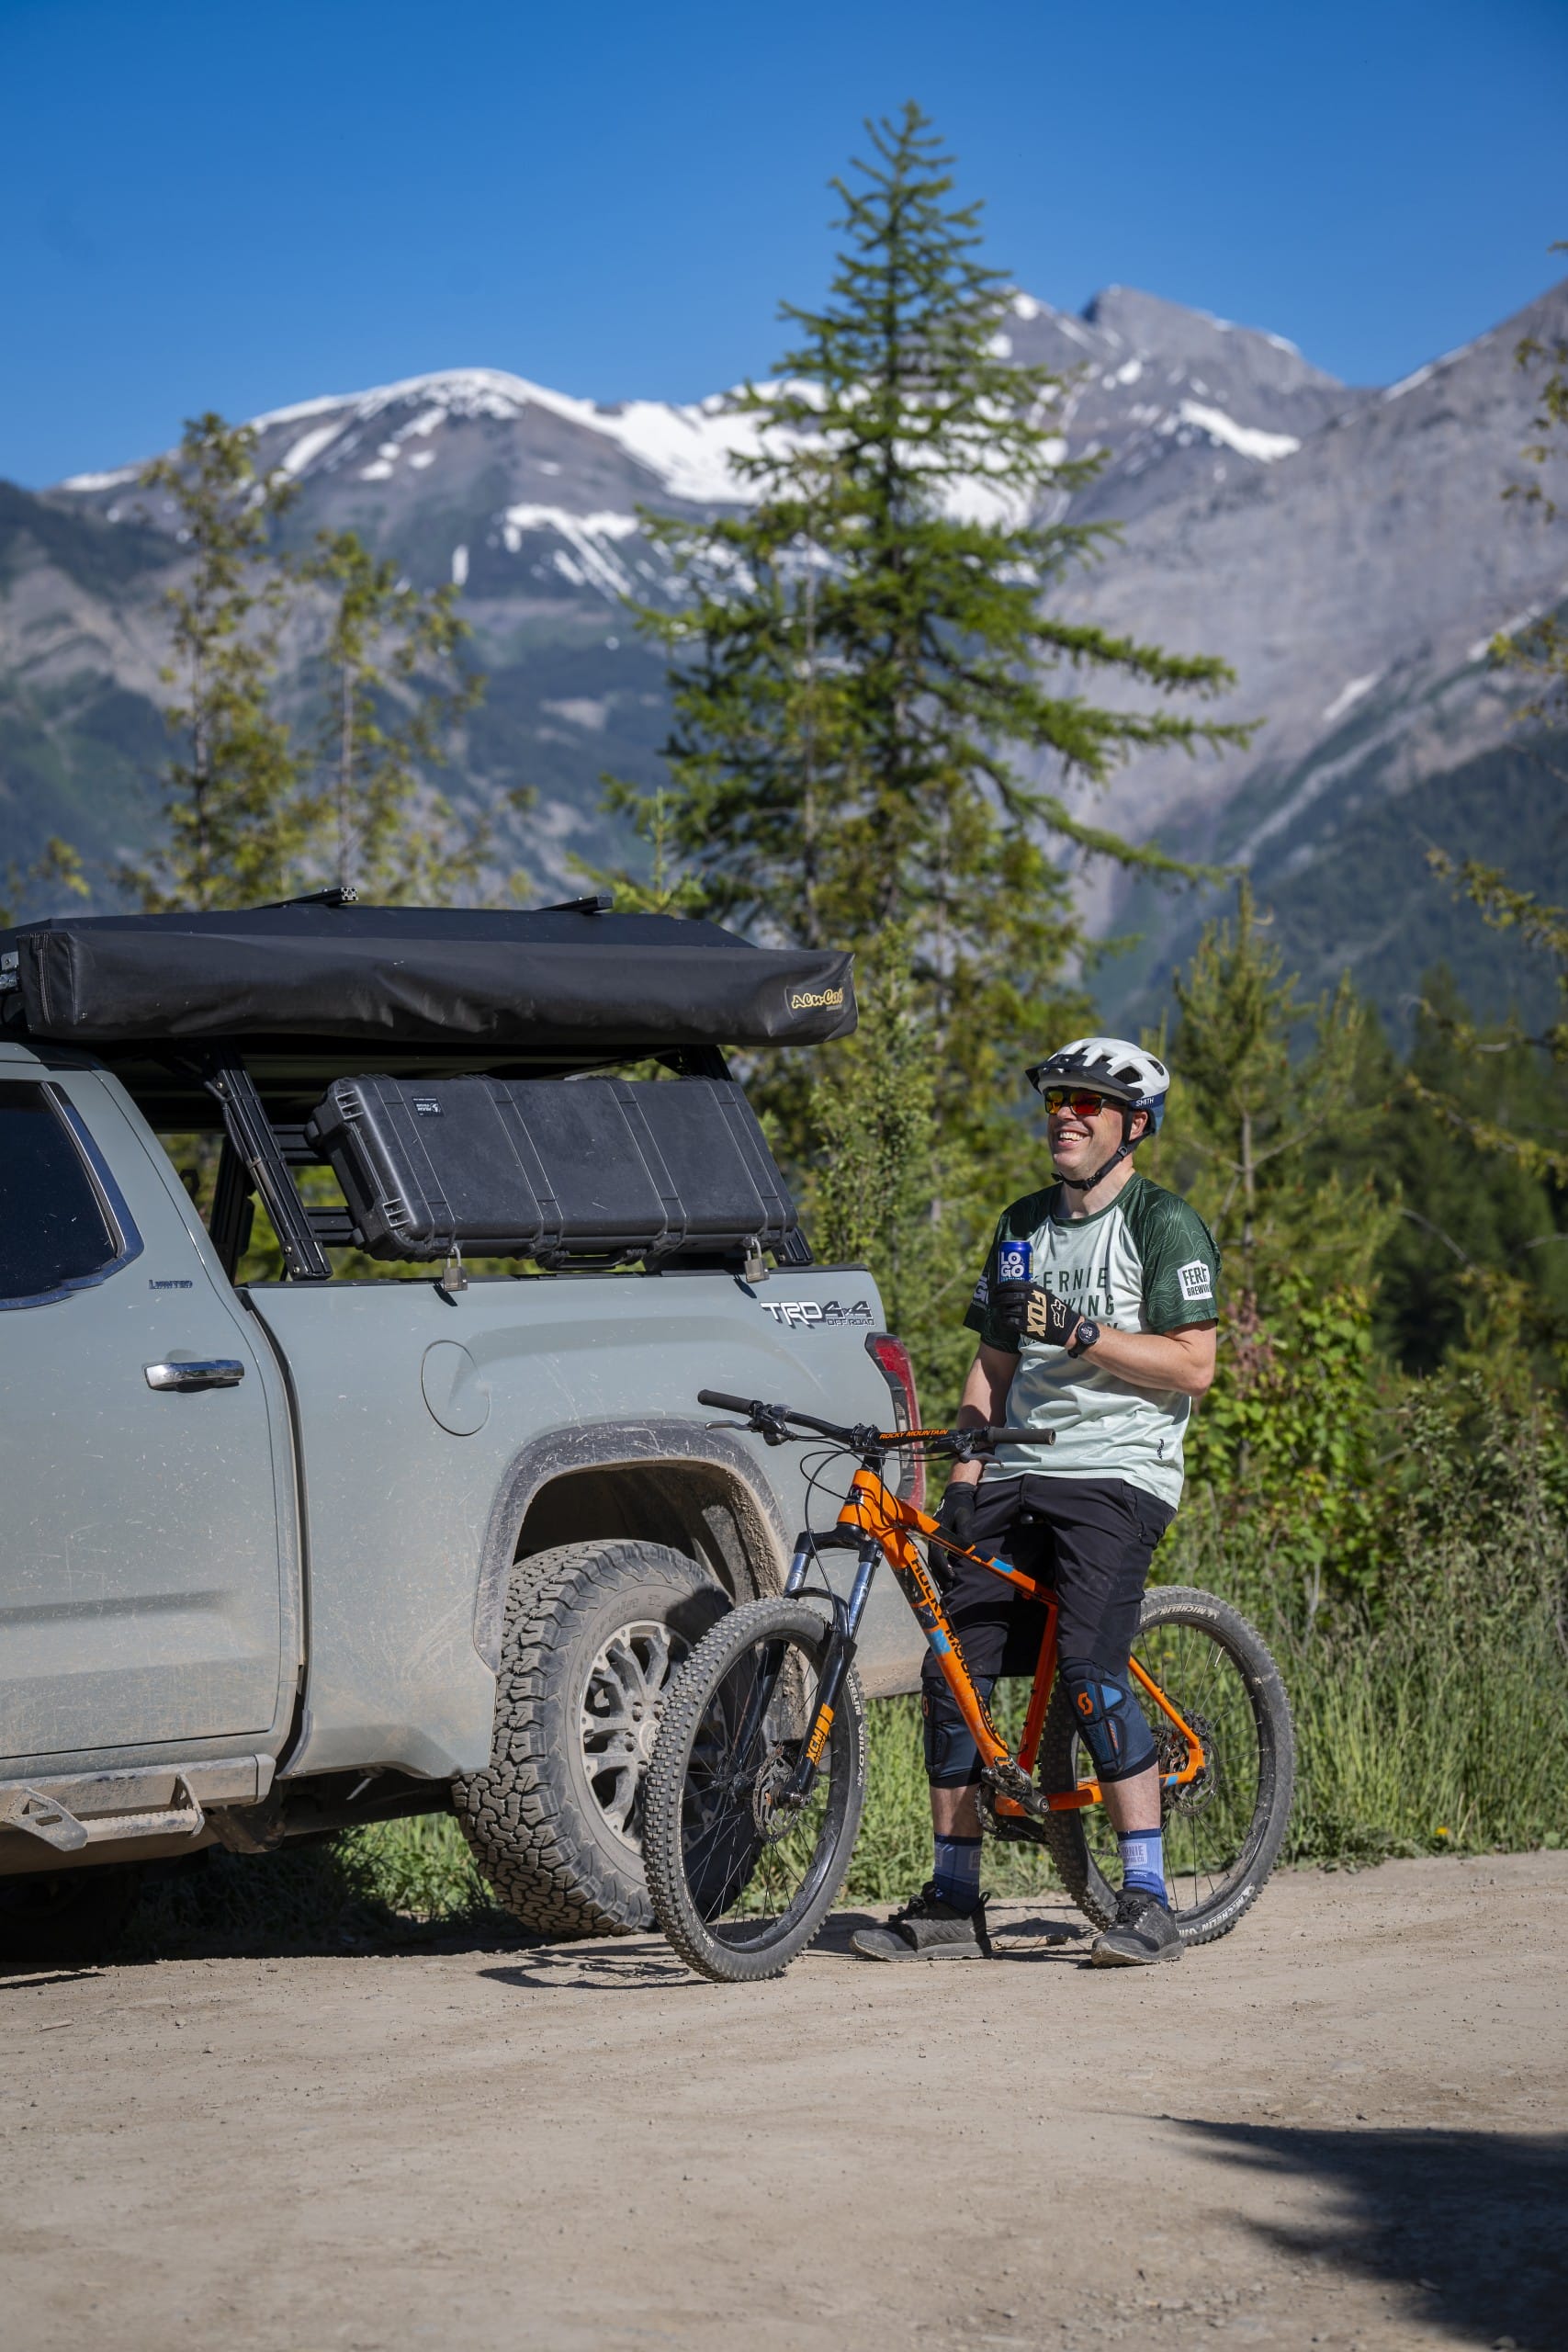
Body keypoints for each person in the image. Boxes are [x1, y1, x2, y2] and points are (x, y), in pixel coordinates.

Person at [851, 1037, 1220, 1968]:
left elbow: (1195, 1365)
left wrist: (1087, 1332)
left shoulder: (1162, 1221)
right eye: (1058, 1099)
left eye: (1089, 1103)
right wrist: (967, 1477)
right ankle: (952, 1896)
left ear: (1132, 1125)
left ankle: (1146, 1897)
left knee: (1093, 1671)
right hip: (1015, 1467)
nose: (1065, 1114)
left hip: (1119, 1470)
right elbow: (991, 1365)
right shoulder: (1021, 1225)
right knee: (950, 1668)